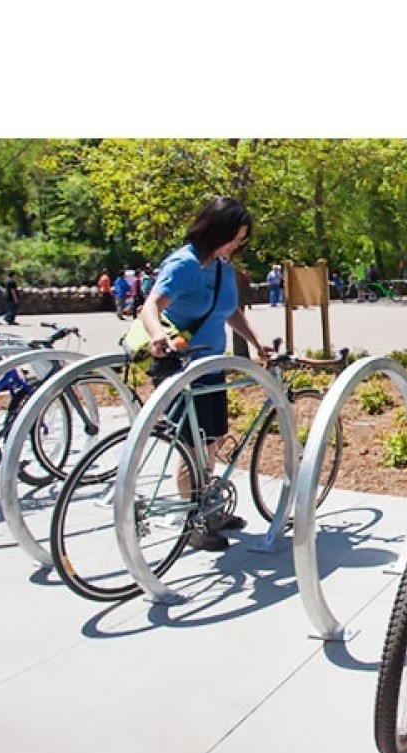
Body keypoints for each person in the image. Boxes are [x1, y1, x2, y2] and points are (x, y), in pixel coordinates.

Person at [139, 194, 270, 552]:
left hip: (211, 367)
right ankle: (193, 521)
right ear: (216, 230)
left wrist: (256, 341)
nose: (238, 244)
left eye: (242, 239)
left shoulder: (222, 266)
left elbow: (229, 311)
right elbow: (150, 306)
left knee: (211, 440)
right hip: (182, 368)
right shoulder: (184, 265)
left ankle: (208, 508)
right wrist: (157, 334)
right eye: (235, 237)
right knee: (191, 447)